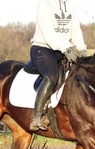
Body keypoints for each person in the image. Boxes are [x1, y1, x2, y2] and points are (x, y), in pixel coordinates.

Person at [29, 0, 87, 131]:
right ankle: (36, 116)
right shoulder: (45, 4)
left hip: (63, 50)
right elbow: (48, 32)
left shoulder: (71, 4)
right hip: (42, 48)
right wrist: (66, 48)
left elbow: (75, 30)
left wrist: (81, 48)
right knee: (51, 77)